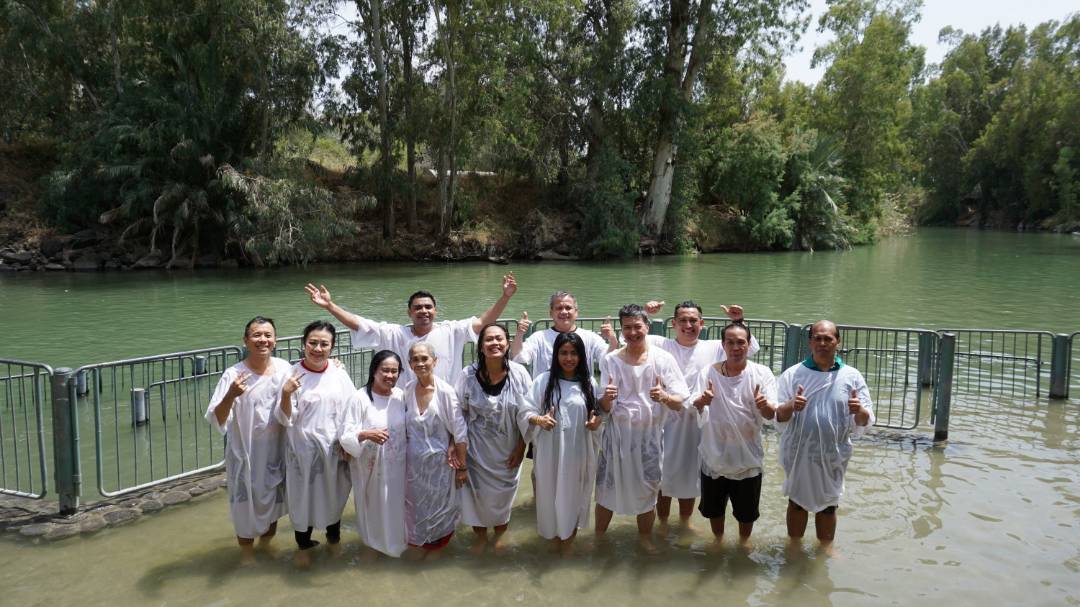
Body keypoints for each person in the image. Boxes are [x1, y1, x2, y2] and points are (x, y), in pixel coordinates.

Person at [643, 300, 760, 530]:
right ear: (673, 323)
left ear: (702, 323)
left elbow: (747, 347)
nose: (688, 325)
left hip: (699, 422)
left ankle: (685, 522)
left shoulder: (714, 347)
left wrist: (738, 321)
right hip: (666, 419)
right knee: (663, 474)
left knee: (691, 475)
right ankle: (662, 522)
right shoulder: (660, 344)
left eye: (693, 320)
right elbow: (634, 336)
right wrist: (645, 313)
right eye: (683, 321)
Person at [594, 304, 690, 554]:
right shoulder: (610, 360)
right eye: (627, 327)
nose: (633, 332)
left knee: (649, 488)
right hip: (616, 437)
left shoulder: (663, 359)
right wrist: (607, 398)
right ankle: (599, 536)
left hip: (649, 438)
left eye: (637, 326)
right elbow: (603, 407)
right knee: (606, 488)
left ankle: (645, 537)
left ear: (647, 327)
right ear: (621, 329)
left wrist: (664, 396)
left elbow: (681, 400)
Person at [305, 273, 518, 385]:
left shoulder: (451, 331)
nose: (423, 311)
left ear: (435, 311)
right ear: (409, 313)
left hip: (444, 405)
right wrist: (330, 306)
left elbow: (483, 322)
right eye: (417, 308)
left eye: (428, 307)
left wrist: (505, 297)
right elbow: (359, 324)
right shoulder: (395, 334)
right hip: (407, 407)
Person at [775, 320, 874, 545]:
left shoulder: (851, 376)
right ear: (810, 342)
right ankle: (794, 545)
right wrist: (791, 405)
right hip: (799, 450)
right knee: (797, 502)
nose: (822, 343)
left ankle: (826, 548)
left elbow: (865, 421)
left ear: (838, 342)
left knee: (829, 505)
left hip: (833, 452)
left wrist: (858, 410)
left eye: (828, 338)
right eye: (817, 338)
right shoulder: (793, 374)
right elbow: (777, 415)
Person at [205, 316, 291, 565]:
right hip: (245, 453)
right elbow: (218, 418)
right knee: (244, 504)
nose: (263, 340)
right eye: (256, 335)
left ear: (275, 340)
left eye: (268, 335)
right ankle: (246, 553)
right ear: (246, 340)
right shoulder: (234, 374)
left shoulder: (284, 368)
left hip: (275, 451)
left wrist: (335, 366)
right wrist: (231, 395)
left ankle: (265, 543)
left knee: (273, 500)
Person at [275, 321, 357, 566]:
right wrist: (286, 393)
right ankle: (303, 545)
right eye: (313, 343)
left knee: (334, 494)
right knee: (303, 498)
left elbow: (352, 408)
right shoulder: (292, 374)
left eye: (324, 344)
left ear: (332, 347)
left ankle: (334, 540)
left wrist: (350, 441)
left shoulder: (339, 373)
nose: (318, 349)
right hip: (302, 451)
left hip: (334, 449)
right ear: (304, 343)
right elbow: (285, 417)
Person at [690, 322, 777, 547]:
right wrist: (703, 400)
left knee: (746, 514)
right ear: (723, 345)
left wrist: (764, 405)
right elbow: (694, 404)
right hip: (714, 455)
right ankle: (718, 541)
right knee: (714, 510)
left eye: (741, 342)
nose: (736, 347)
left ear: (749, 345)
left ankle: (743, 543)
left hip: (747, 458)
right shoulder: (708, 372)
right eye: (730, 342)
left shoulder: (761, 373)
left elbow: (771, 415)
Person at [518, 331, 604, 556]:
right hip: (550, 451)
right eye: (563, 353)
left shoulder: (589, 383)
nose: (568, 358)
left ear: (581, 356)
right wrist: (539, 419)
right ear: (556, 355)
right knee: (549, 495)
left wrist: (596, 423)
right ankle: (554, 540)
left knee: (573, 496)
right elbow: (525, 411)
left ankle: (567, 544)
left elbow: (597, 416)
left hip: (578, 451)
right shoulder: (544, 381)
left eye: (574, 353)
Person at [455, 324, 531, 554]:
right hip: (476, 449)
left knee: (503, 496)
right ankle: (480, 536)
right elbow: (459, 413)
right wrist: (460, 452)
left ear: (507, 343)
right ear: (481, 346)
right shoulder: (467, 375)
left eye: (499, 339)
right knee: (475, 495)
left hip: (508, 447)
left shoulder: (519, 374)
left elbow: (528, 412)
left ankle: (499, 534)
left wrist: (521, 446)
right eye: (488, 340)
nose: (494, 343)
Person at [403, 342, 469, 559]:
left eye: (425, 358)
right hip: (414, 467)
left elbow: (459, 431)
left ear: (435, 361)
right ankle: (421, 544)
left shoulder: (446, 392)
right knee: (417, 509)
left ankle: (438, 549)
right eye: (415, 359)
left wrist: (462, 467)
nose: (420, 363)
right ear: (410, 364)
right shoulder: (407, 390)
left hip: (441, 466)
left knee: (441, 508)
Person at [339, 350, 408, 558]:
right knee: (373, 510)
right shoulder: (359, 398)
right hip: (369, 469)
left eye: (394, 371)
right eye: (385, 370)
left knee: (397, 509)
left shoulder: (401, 396)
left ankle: (398, 549)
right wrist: (366, 434)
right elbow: (346, 435)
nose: (390, 375)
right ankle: (372, 548)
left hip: (398, 468)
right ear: (374, 371)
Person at [511, 291, 618, 378]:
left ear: (576, 312)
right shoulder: (538, 338)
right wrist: (519, 334)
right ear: (551, 313)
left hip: (581, 393)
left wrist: (612, 339)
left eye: (568, 308)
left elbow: (608, 360)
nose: (564, 312)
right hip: (546, 393)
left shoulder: (590, 337)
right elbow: (519, 357)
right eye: (559, 308)